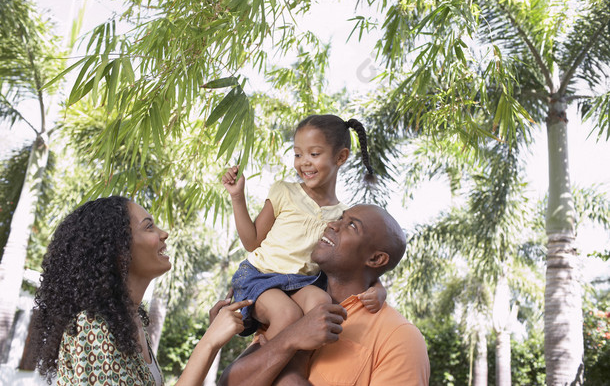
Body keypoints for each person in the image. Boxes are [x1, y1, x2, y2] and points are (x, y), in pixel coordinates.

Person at [32, 196, 252, 385]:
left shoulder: (132, 324)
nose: (164, 233)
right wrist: (209, 342)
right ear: (118, 249)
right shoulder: (91, 326)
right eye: (149, 226)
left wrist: (212, 338)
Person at [218, 204, 431, 386]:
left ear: (375, 259)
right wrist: (290, 339)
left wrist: (289, 372)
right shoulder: (287, 304)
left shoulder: (399, 337)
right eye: (340, 218)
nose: (332, 224)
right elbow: (229, 382)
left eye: (352, 225)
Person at [222, 114, 385, 340]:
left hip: (302, 283)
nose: (303, 162)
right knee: (287, 314)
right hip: (260, 276)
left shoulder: (344, 216)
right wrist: (237, 196)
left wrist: (379, 289)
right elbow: (252, 242)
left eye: (314, 154)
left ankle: (280, 359)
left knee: (322, 305)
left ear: (341, 157)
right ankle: (256, 368)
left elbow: (359, 263)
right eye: (298, 154)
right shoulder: (284, 191)